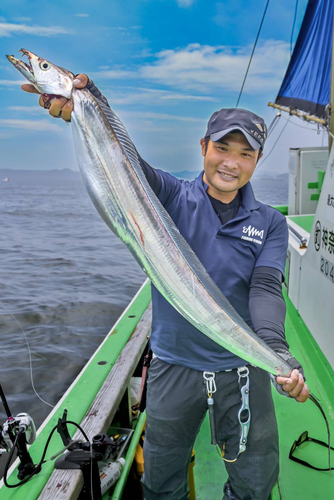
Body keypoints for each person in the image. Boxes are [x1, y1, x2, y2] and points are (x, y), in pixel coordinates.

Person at [22, 76, 309, 500]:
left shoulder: (267, 222)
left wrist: (276, 352)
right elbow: (126, 165)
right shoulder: (171, 195)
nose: (231, 162)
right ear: (203, 148)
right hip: (174, 367)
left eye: (245, 154)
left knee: (254, 484)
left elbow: (265, 288)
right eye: (222, 149)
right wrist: (89, 106)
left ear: (257, 160)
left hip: (244, 370)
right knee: (161, 482)